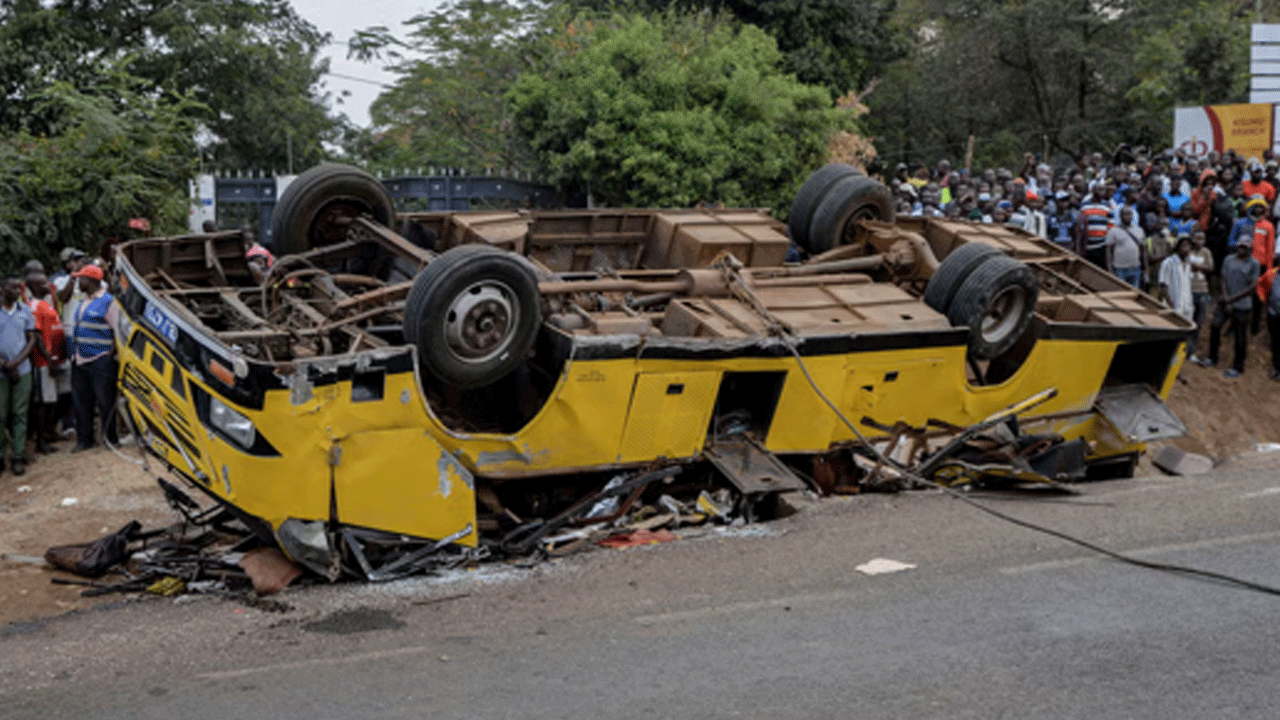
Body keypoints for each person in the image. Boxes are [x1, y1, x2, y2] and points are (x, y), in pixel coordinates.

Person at [69, 264, 119, 450]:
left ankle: (110, 439)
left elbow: (117, 331)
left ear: (90, 281)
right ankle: (85, 440)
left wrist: (109, 356)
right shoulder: (84, 300)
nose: (78, 282)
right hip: (80, 358)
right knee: (82, 401)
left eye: (80, 278)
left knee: (105, 401)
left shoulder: (108, 301)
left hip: (100, 359)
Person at [1206, 237, 1260, 378]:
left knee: (1240, 336)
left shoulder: (1254, 264)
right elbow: (1223, 279)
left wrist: (1231, 299)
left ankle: (1238, 366)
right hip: (1226, 301)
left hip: (1242, 305)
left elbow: (1251, 288)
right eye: (1240, 246)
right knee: (1215, 326)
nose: (1241, 249)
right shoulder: (1228, 259)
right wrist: (1226, 298)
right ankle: (1212, 358)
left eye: (1245, 247)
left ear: (1249, 248)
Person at [0, 277, 37, 474]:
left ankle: (18, 456)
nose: (16, 290)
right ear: (2, 289)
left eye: (18, 287)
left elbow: (32, 339)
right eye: (11, 287)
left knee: (20, 413)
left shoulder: (25, 310)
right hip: (1, 373)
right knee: (0, 415)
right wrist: (5, 364)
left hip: (22, 371)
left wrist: (16, 363)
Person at [25, 273, 63, 454]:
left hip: (53, 359)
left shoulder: (46, 303)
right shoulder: (34, 306)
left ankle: (49, 433)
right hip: (42, 363)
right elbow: (37, 337)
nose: (48, 284)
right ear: (33, 286)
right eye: (42, 283)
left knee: (52, 401)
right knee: (41, 402)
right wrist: (48, 360)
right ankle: (41, 442)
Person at [1187, 230, 1214, 363]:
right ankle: (1183, 349)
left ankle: (1192, 351)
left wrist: (1197, 266)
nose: (1200, 240)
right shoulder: (1187, 250)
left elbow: (1210, 267)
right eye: (1197, 238)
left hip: (1202, 290)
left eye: (1202, 238)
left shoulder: (1206, 252)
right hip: (1187, 289)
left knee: (1198, 322)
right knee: (1187, 320)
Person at [1105, 207, 1146, 288]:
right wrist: (1110, 270)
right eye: (1125, 214)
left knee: (1134, 293)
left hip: (1135, 268)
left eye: (1129, 214)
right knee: (1121, 293)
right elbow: (1109, 252)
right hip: (1119, 269)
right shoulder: (1113, 231)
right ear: (1120, 216)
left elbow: (1144, 251)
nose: (1128, 216)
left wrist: (1146, 271)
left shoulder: (1139, 230)